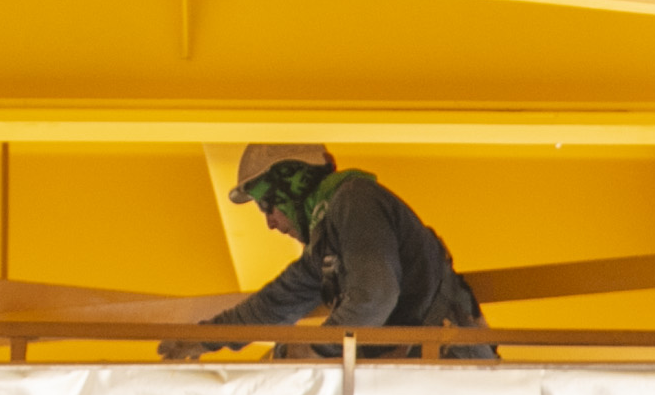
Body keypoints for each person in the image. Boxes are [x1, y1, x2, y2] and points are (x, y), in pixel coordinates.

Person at [193, 142, 485, 348]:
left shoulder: (355, 202)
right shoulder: (326, 241)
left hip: (446, 364)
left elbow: (374, 298)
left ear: (293, 186)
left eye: (268, 206)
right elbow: (274, 304)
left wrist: (318, 348)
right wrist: (203, 339)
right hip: (424, 365)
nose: (270, 223)